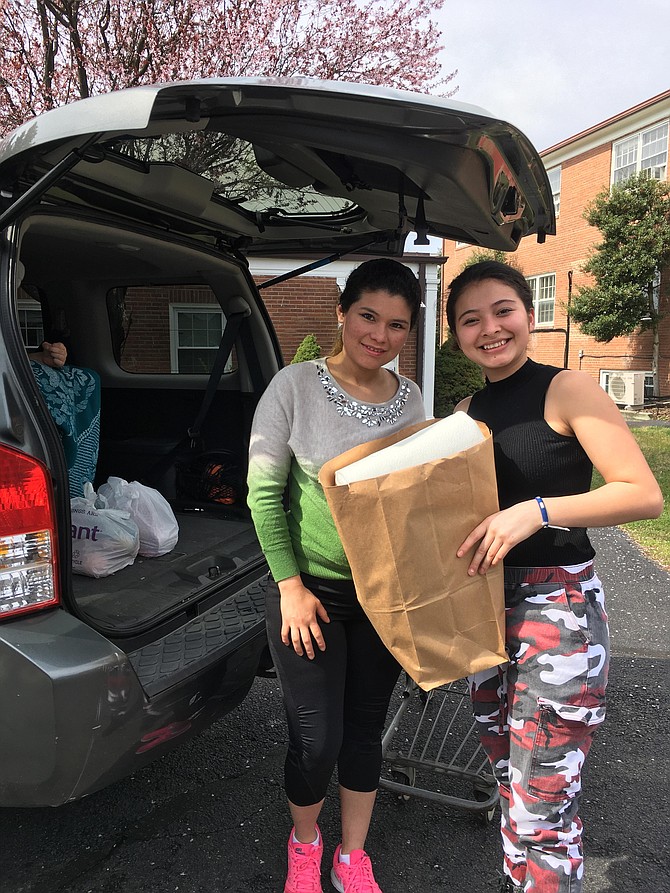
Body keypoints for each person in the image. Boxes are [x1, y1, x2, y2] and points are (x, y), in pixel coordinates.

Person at [445, 260, 663, 893]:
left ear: (529, 315)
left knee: (544, 800)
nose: (490, 328)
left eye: (502, 310)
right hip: (481, 608)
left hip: (557, 608)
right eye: (470, 319)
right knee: (511, 782)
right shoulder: (466, 410)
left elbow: (642, 494)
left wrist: (536, 511)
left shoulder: (567, 389)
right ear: (456, 336)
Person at [247, 258, 425, 893]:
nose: (379, 335)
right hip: (308, 594)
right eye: (368, 317)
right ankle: (305, 843)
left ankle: (353, 855)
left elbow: (413, 500)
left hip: (382, 595)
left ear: (410, 331)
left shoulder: (410, 402)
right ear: (342, 314)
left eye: (397, 325)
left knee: (363, 730)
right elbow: (264, 496)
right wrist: (290, 587)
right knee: (316, 739)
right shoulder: (293, 387)